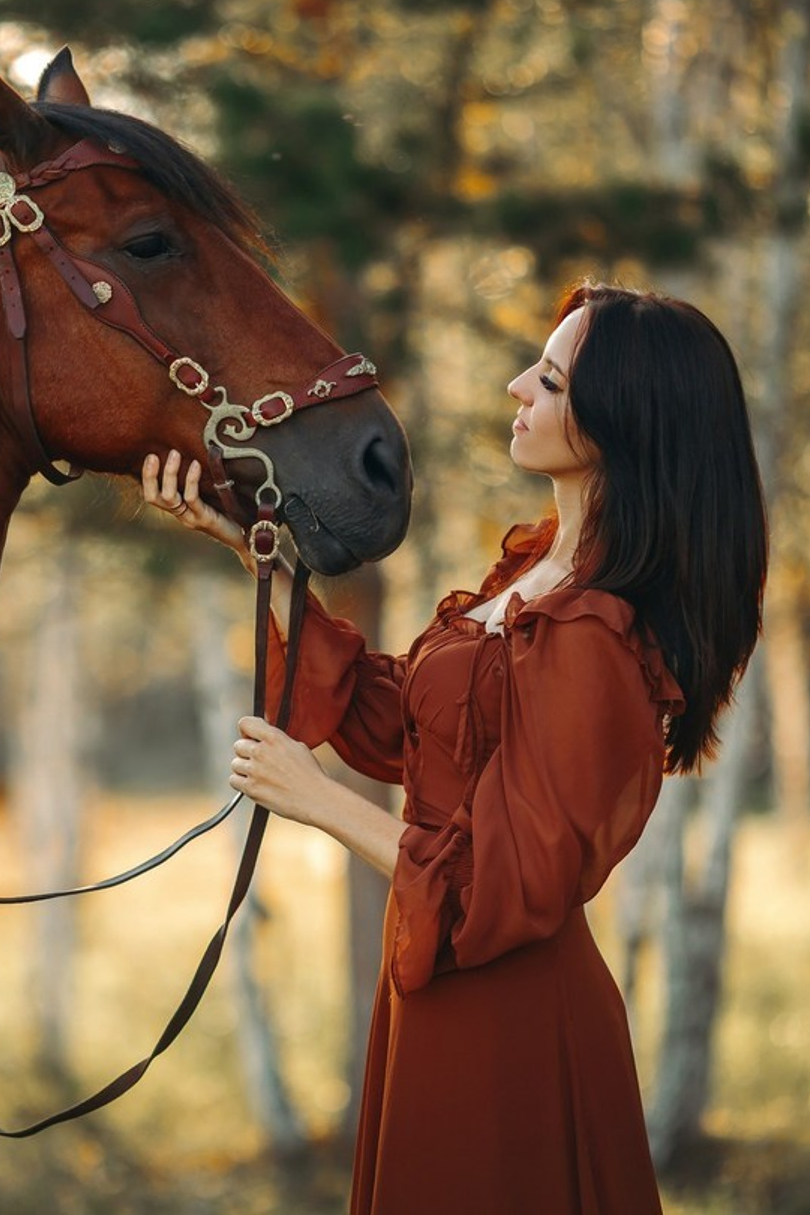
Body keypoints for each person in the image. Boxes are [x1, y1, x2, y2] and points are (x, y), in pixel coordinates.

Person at [141, 281, 767, 1214]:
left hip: (509, 1019)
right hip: (432, 989)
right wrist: (258, 560)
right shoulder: (533, 575)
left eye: (550, 381)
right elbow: (403, 724)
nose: (518, 386)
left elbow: (495, 885)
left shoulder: (596, 637)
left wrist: (314, 798)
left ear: (621, 421)